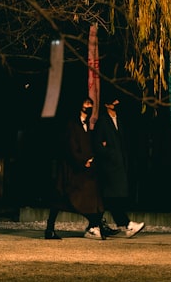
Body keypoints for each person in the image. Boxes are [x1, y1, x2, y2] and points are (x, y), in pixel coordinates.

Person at [44, 97, 105, 240]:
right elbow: (71, 145)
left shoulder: (87, 125)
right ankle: (51, 229)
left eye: (91, 104)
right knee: (63, 198)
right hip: (72, 168)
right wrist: (82, 160)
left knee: (88, 197)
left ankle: (94, 224)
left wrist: (90, 158)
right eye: (86, 103)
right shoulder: (72, 123)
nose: (89, 106)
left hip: (83, 167)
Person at [93, 89, 145, 238]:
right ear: (107, 105)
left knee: (110, 199)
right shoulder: (103, 121)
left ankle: (96, 225)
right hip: (109, 167)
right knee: (111, 198)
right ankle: (125, 224)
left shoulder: (119, 121)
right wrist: (109, 152)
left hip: (118, 165)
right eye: (113, 101)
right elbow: (98, 145)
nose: (116, 103)